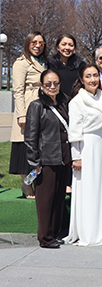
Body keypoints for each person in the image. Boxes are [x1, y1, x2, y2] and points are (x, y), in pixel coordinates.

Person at [65, 64, 102, 246]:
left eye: (95, 75)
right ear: (81, 80)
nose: (93, 79)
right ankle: (88, 231)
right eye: (88, 76)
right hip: (85, 147)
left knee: (100, 187)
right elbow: (74, 132)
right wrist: (76, 157)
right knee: (87, 189)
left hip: (101, 145)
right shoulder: (76, 102)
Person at [24, 70, 70, 248]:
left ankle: (54, 233)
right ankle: (44, 237)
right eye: (48, 84)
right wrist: (35, 164)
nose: (52, 87)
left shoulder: (63, 104)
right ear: (42, 86)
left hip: (62, 159)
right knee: (45, 202)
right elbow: (30, 137)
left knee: (58, 199)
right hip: (45, 162)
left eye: (56, 83)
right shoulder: (36, 106)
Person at [10, 32, 47, 199]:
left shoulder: (45, 62)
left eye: (41, 42)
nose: (38, 45)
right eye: (34, 42)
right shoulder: (21, 63)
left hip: (43, 107)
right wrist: (21, 115)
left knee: (39, 149)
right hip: (28, 106)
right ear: (27, 43)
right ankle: (26, 185)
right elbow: (17, 91)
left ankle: (35, 183)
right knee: (25, 149)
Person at [47, 33, 86, 97]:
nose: (67, 47)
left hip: (76, 101)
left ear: (74, 48)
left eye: (71, 45)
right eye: (64, 44)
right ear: (57, 47)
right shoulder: (49, 64)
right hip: (55, 101)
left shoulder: (81, 64)